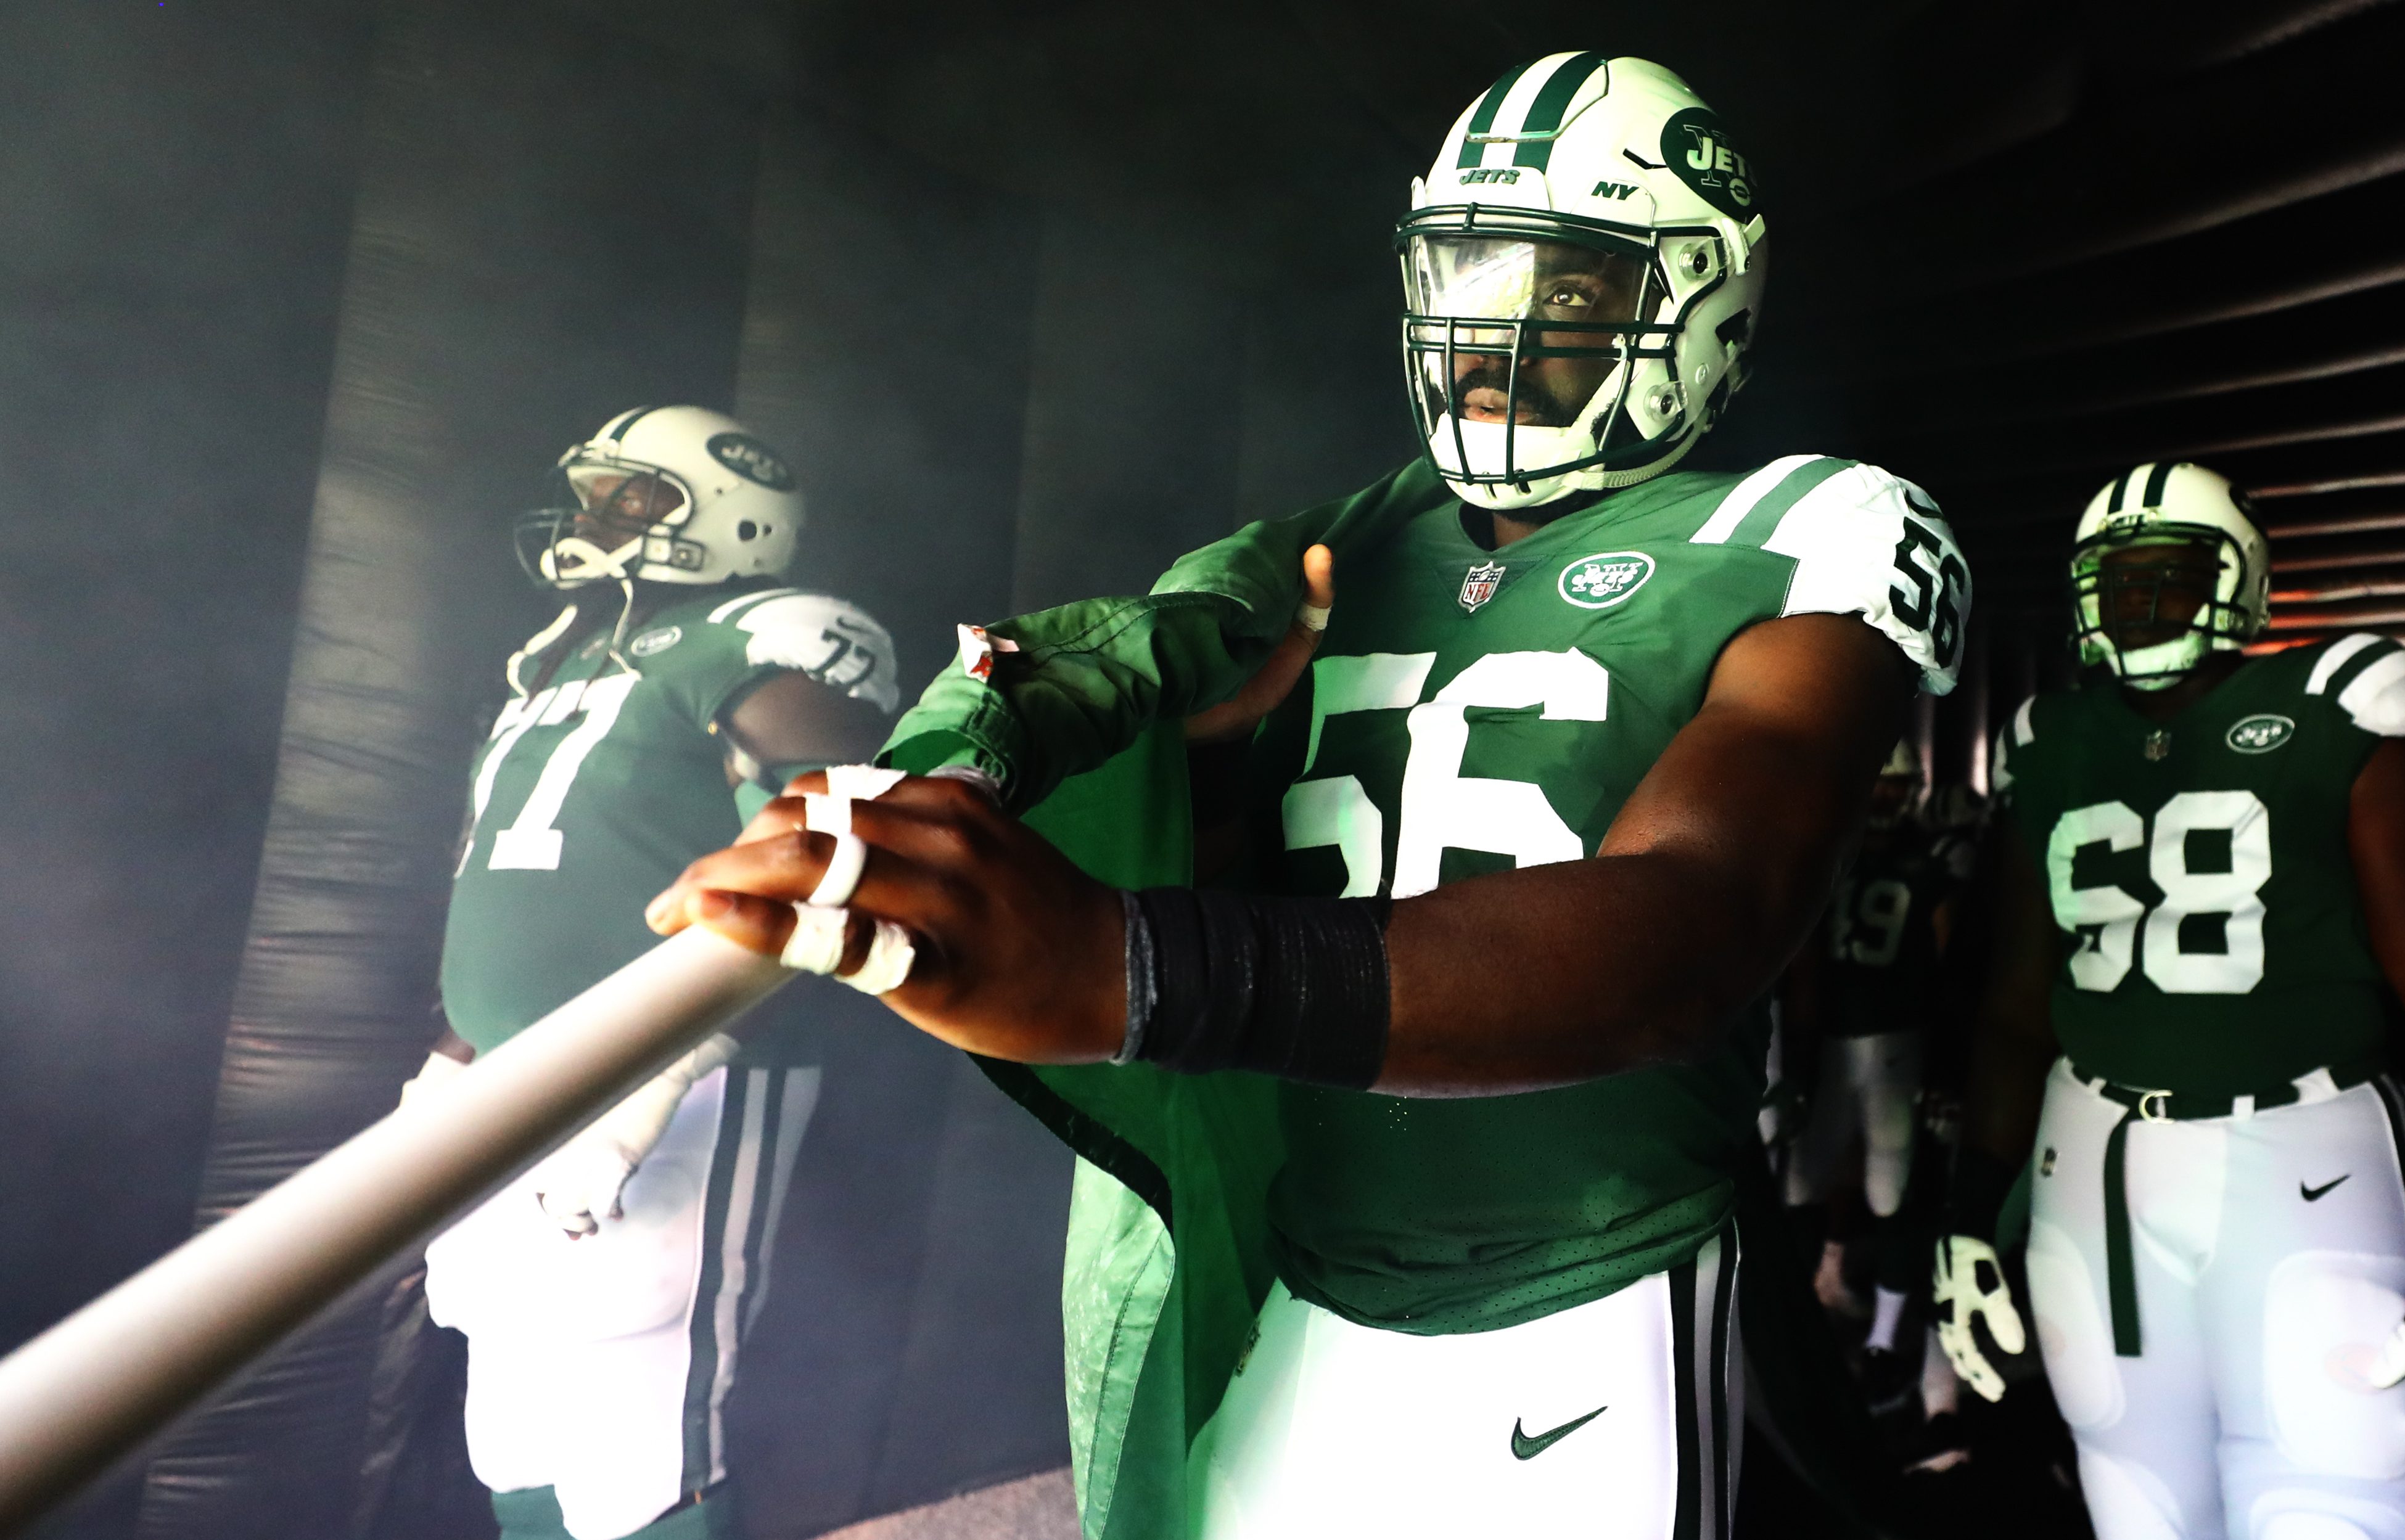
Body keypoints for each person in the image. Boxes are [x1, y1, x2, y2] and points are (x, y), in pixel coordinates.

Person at [646, 52, 1969, 1540]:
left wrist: (1124, 964)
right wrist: (978, 755)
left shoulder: (1812, 525)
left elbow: (1695, 924)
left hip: (1584, 1282)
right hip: (1303, 1268)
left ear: (1702, 293)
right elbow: (1128, 677)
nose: (1493, 330)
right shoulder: (1330, 543)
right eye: (1465, 273)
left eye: (1572, 288)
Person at [1933, 461, 2405, 1539]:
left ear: (2240, 582)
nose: (2142, 603)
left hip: (2304, 1141)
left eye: (2170, 575)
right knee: (2136, 1494)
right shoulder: (2051, 739)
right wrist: (1973, 1206)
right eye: (2116, 583)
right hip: (2096, 1154)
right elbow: (2018, 1000)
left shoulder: (2335, 700)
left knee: (2334, 1492)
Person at [405, 406, 898, 1540]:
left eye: (634, 496)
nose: (592, 517)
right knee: (514, 1412)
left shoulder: (768, 632)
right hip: (506, 1078)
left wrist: (663, 1074)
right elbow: (516, 889)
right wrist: (451, 1059)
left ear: (732, 514)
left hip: (680, 1074)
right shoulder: (566, 656)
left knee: (638, 1411)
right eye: (596, 492)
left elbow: (828, 868)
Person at [1775, 741, 1960, 1383]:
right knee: (1883, 1190)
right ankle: (1871, 1335)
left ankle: (1829, 1330)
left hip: (1841, 1041)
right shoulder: (1923, 863)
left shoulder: (1827, 856)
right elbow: (1946, 965)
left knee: (1820, 1183)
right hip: (1887, 1045)